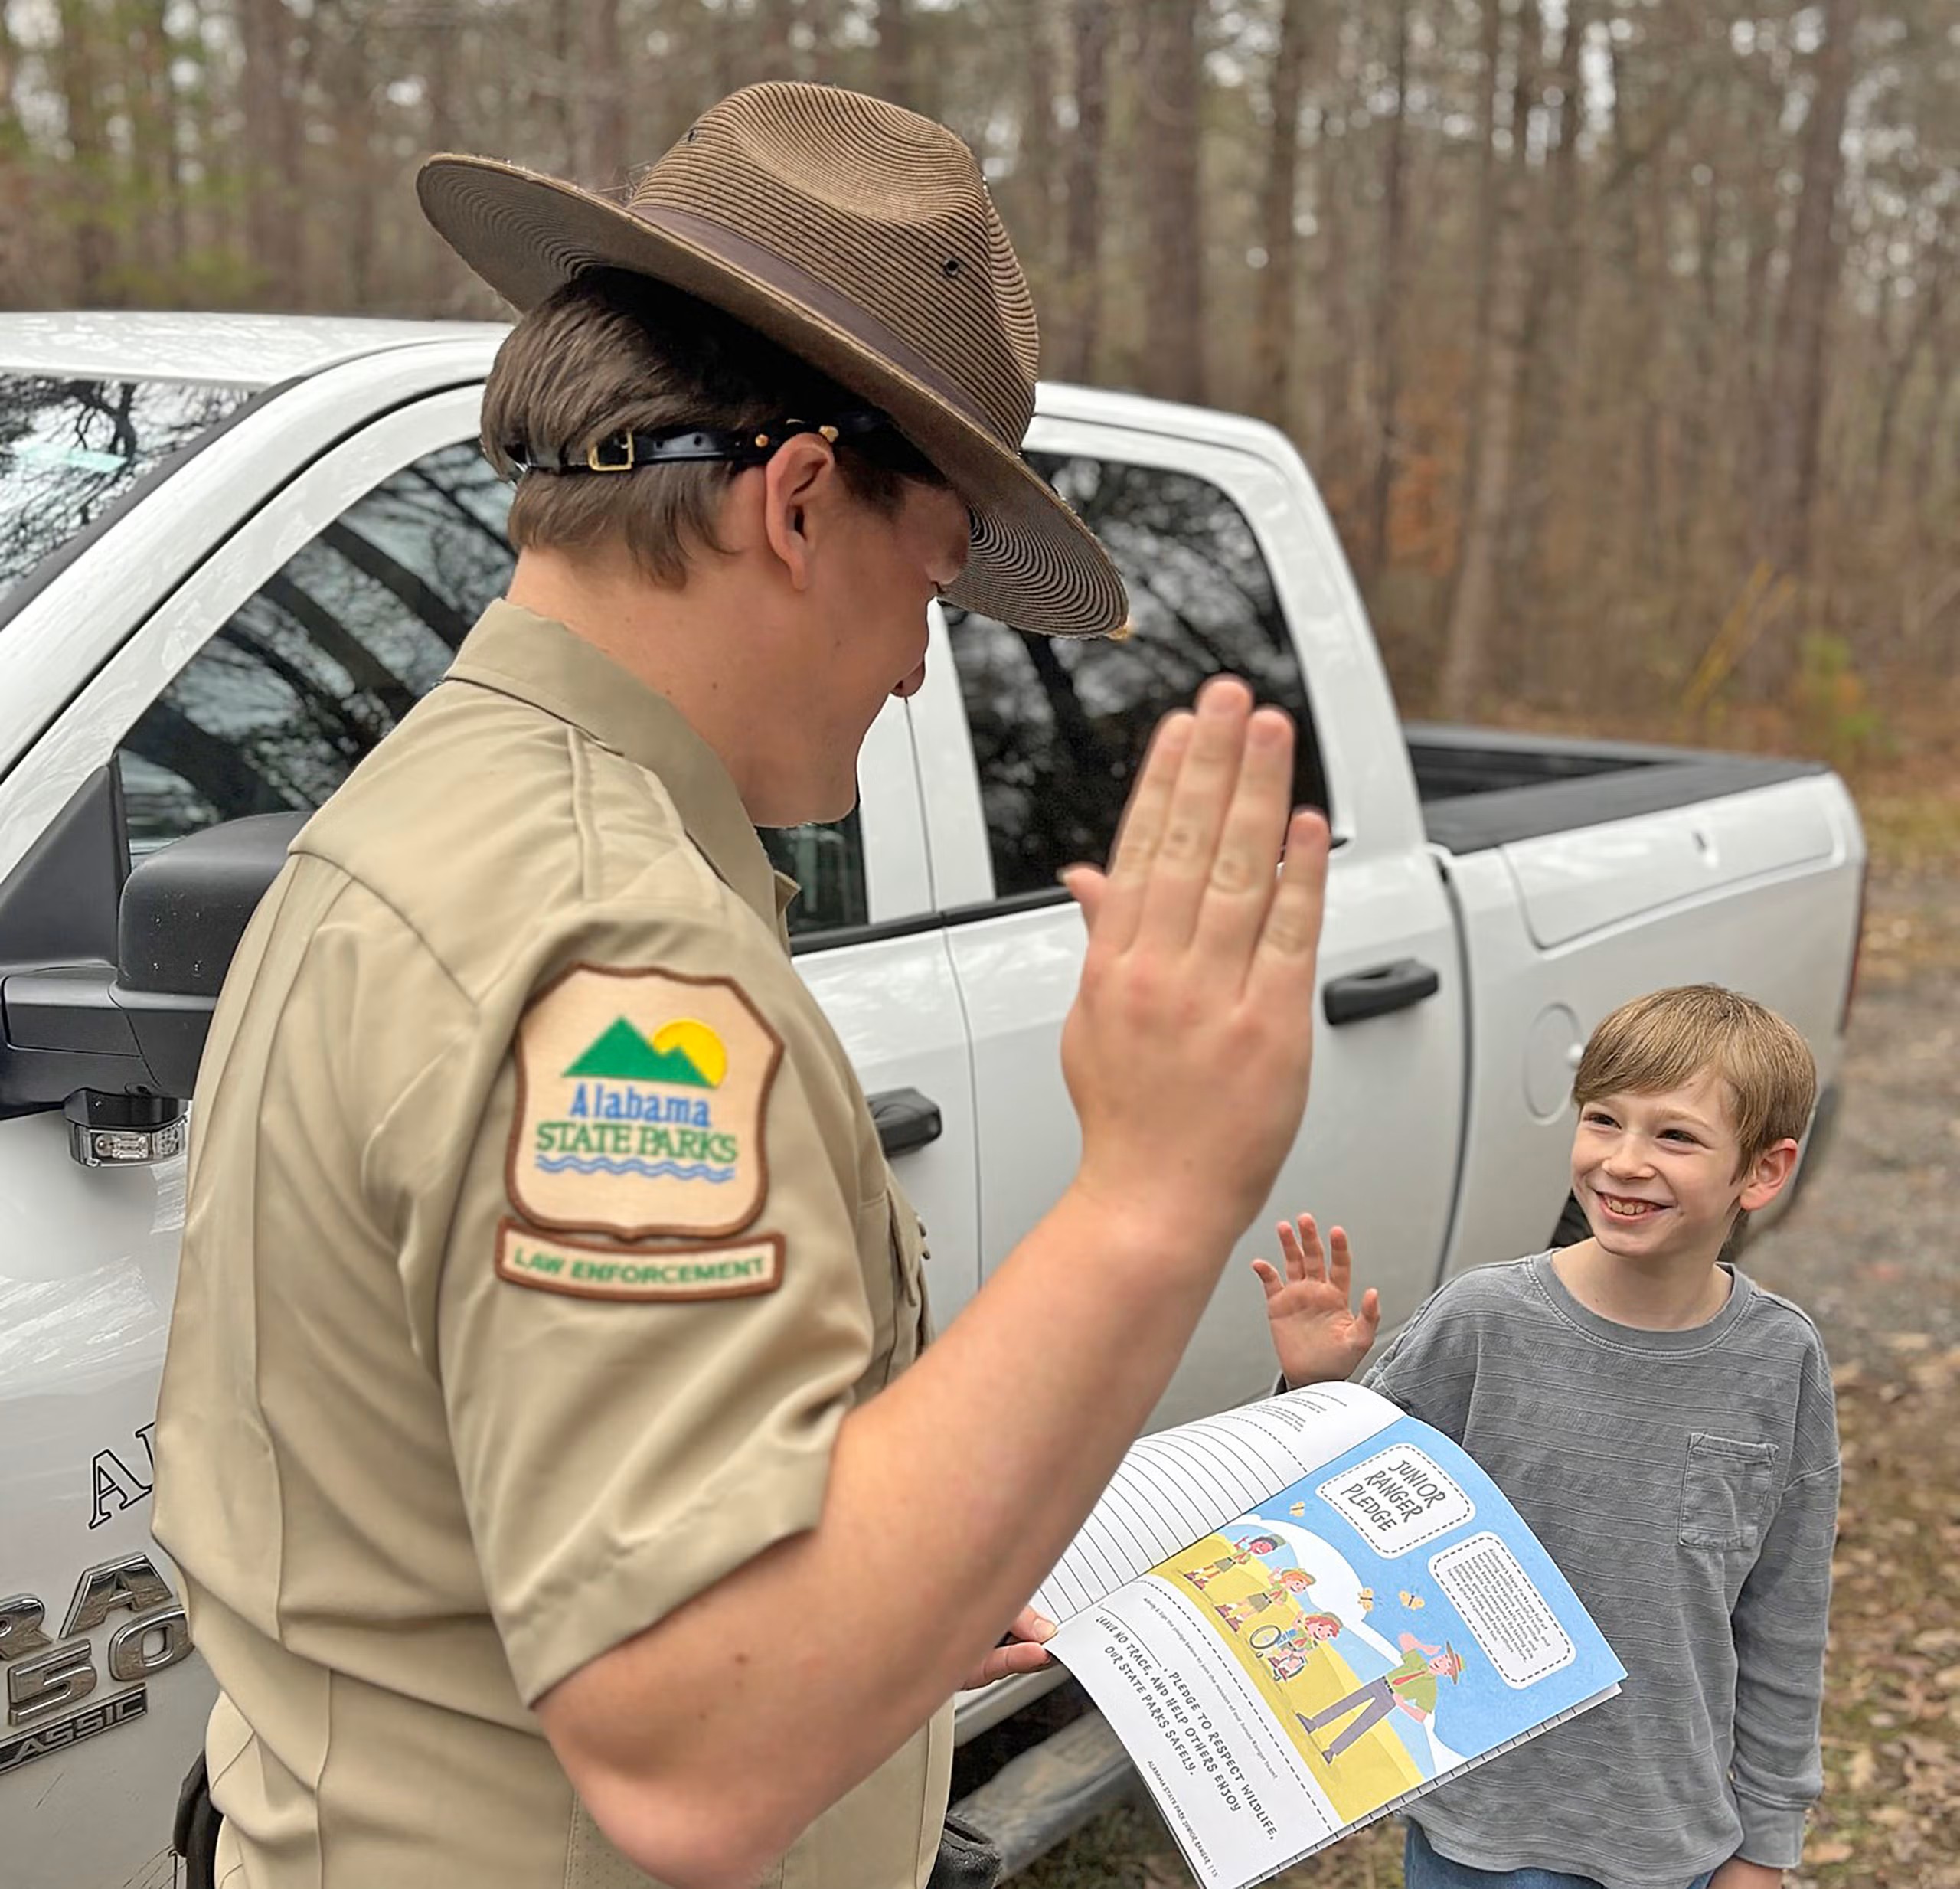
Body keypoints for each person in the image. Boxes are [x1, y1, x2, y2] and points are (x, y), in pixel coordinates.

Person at [151, 81, 1334, 1889]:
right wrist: (1153, 1193)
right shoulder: (610, 946)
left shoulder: (426, 817)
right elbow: (689, 1755)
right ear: (795, 506)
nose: (921, 673)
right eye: (933, 582)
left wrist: (874, 1587)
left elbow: (526, 1515)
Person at [1259, 985, 1839, 1889]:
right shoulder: (1484, 1318)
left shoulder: (1780, 1359)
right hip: (1479, 1830)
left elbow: (1785, 1613)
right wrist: (1315, 1387)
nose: (1623, 1161)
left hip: (1670, 1836)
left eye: (1675, 1135)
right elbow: (1340, 1509)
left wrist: (1764, 1843)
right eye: (1603, 1120)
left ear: (1762, 1172)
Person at [1296, 1632, 1464, 1763]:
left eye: (1446, 1664)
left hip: (1390, 1699)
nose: (1440, 1661)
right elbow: (1404, 1638)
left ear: (1446, 1673)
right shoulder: (1417, 1661)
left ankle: (1332, 1751)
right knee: (1347, 1703)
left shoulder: (1430, 1689)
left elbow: (1420, 1717)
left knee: (1363, 1723)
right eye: (1443, 1657)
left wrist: (1401, 1704)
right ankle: (1314, 1723)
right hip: (1380, 1684)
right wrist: (1423, 1647)